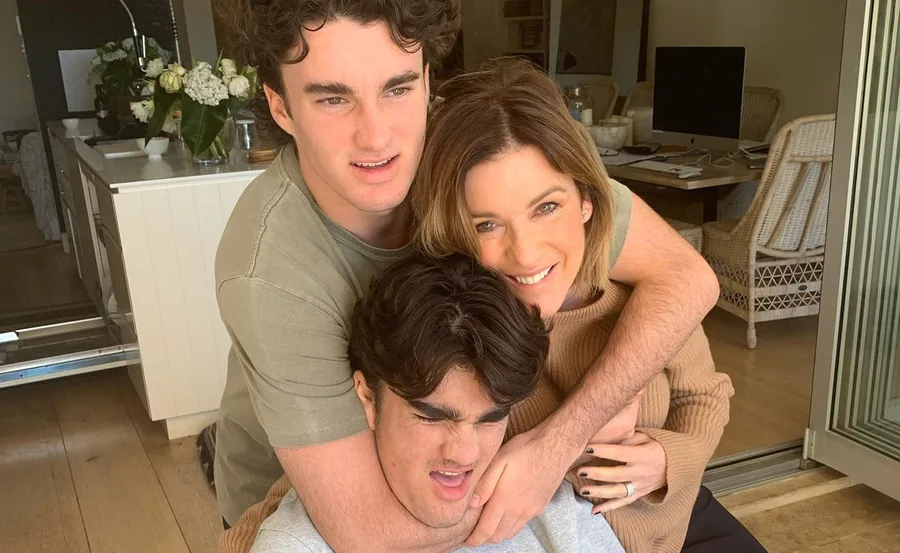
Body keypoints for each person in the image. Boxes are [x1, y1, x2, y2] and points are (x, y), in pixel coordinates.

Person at [210, 0, 719, 549]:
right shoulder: (271, 273)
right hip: (326, 503)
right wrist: (556, 459)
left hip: (495, 475)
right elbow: (369, 533)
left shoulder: (468, 150)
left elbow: (685, 275)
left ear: (428, 81)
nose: (377, 137)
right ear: (280, 107)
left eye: (398, 88)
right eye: (334, 98)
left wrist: (565, 438)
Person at [247, 253, 626, 553]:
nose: (464, 454)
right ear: (367, 398)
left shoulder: (548, 510)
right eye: (430, 417)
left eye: (489, 419)